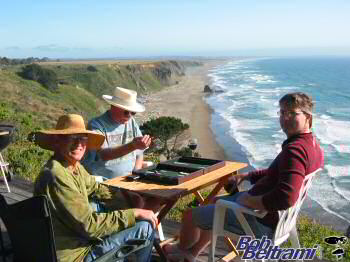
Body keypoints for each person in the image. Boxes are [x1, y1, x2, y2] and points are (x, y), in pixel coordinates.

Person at [163, 92, 324, 261]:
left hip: (259, 221)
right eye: (282, 112)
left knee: (190, 215)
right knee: (214, 202)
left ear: (308, 117)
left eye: (293, 113)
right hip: (278, 219)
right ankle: (193, 251)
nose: (285, 118)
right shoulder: (313, 146)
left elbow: (286, 198)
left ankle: (181, 250)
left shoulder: (294, 150)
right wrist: (247, 177)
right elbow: (276, 172)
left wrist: (249, 201)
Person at [31, 114, 157, 262]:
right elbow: (89, 226)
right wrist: (134, 213)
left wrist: (128, 196)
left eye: (83, 138)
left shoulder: (72, 166)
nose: (79, 143)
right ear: (57, 141)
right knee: (145, 227)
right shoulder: (56, 175)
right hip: (76, 256)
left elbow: (96, 188)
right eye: (72, 137)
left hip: (75, 241)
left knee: (101, 207)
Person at [82, 86, 151, 179]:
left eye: (133, 113)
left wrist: (135, 173)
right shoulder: (96, 125)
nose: (130, 116)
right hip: (104, 181)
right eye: (126, 112)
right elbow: (104, 155)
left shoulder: (131, 122)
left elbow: (139, 153)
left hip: (129, 179)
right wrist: (132, 146)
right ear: (113, 106)